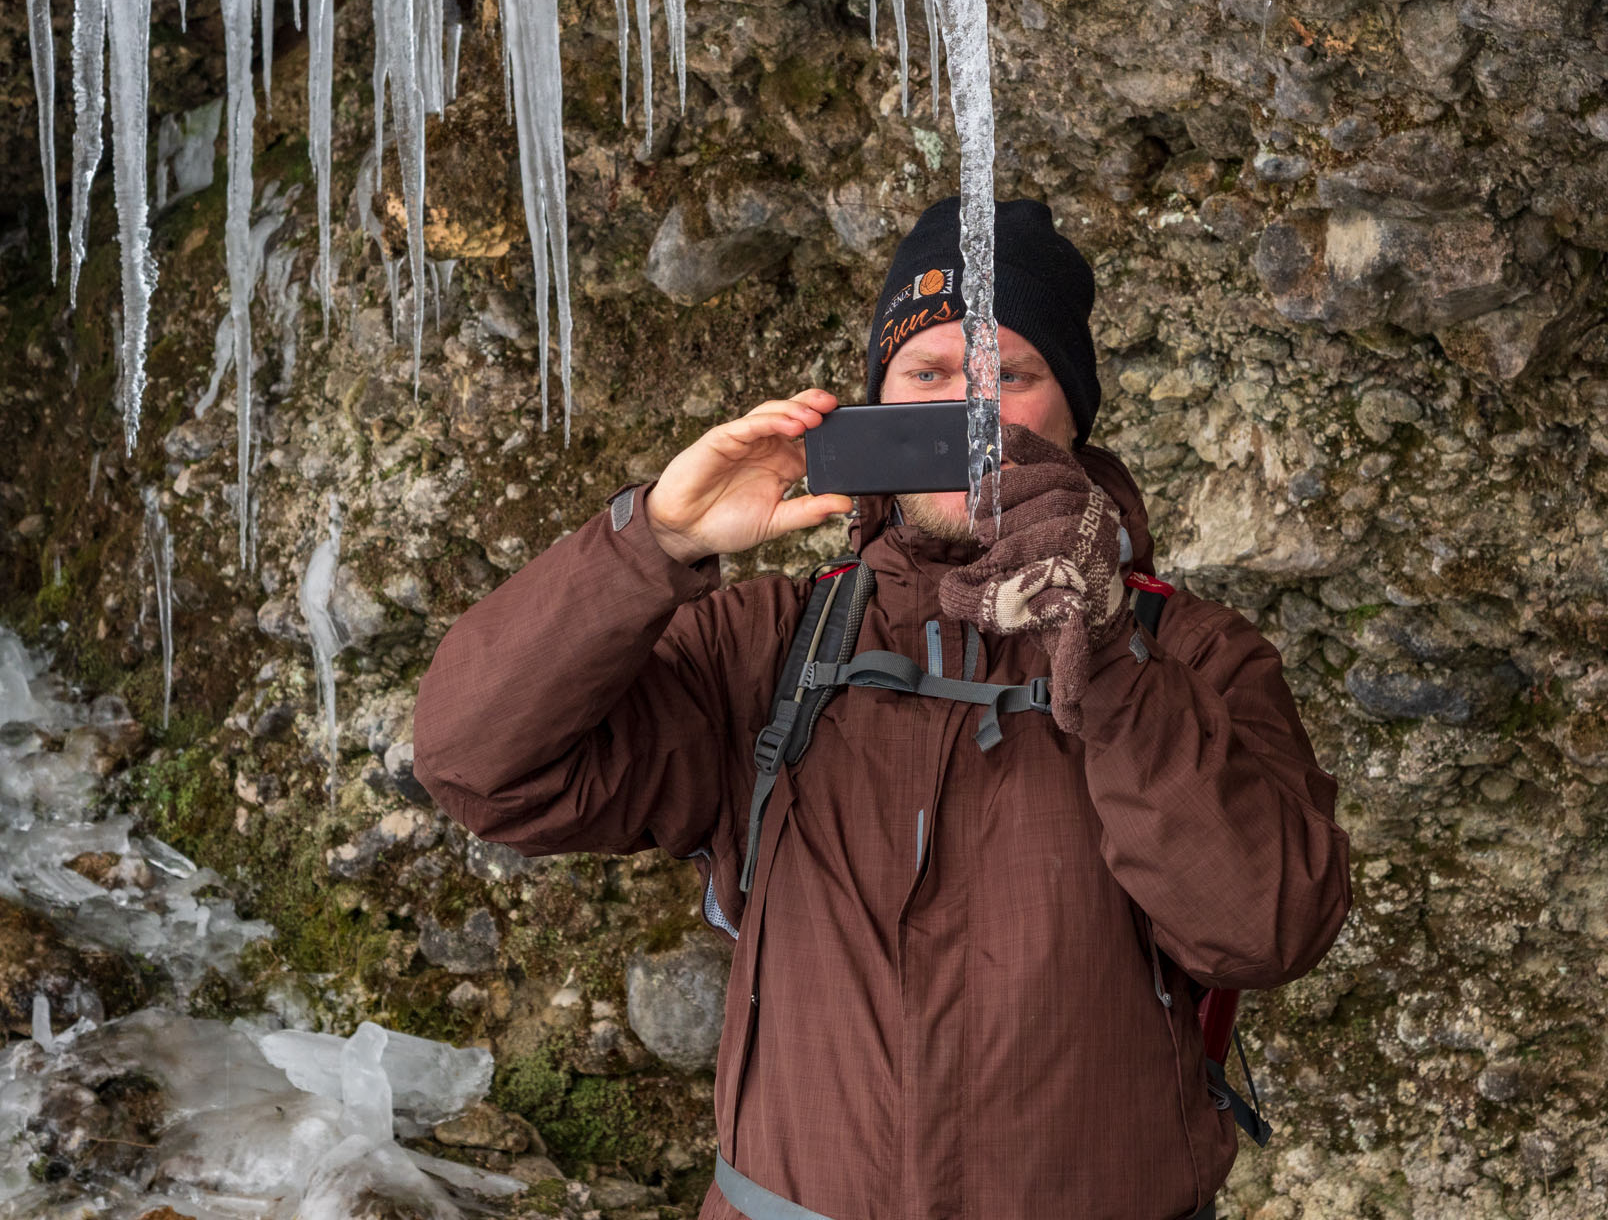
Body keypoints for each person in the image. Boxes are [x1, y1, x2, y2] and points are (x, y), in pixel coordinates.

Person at [414, 198, 1352, 1220]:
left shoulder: (1195, 654)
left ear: (1074, 415)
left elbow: (1267, 929)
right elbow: (477, 762)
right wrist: (659, 542)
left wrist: (1113, 660)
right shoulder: (770, 641)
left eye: (1011, 375)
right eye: (929, 375)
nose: (966, 411)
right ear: (876, 401)